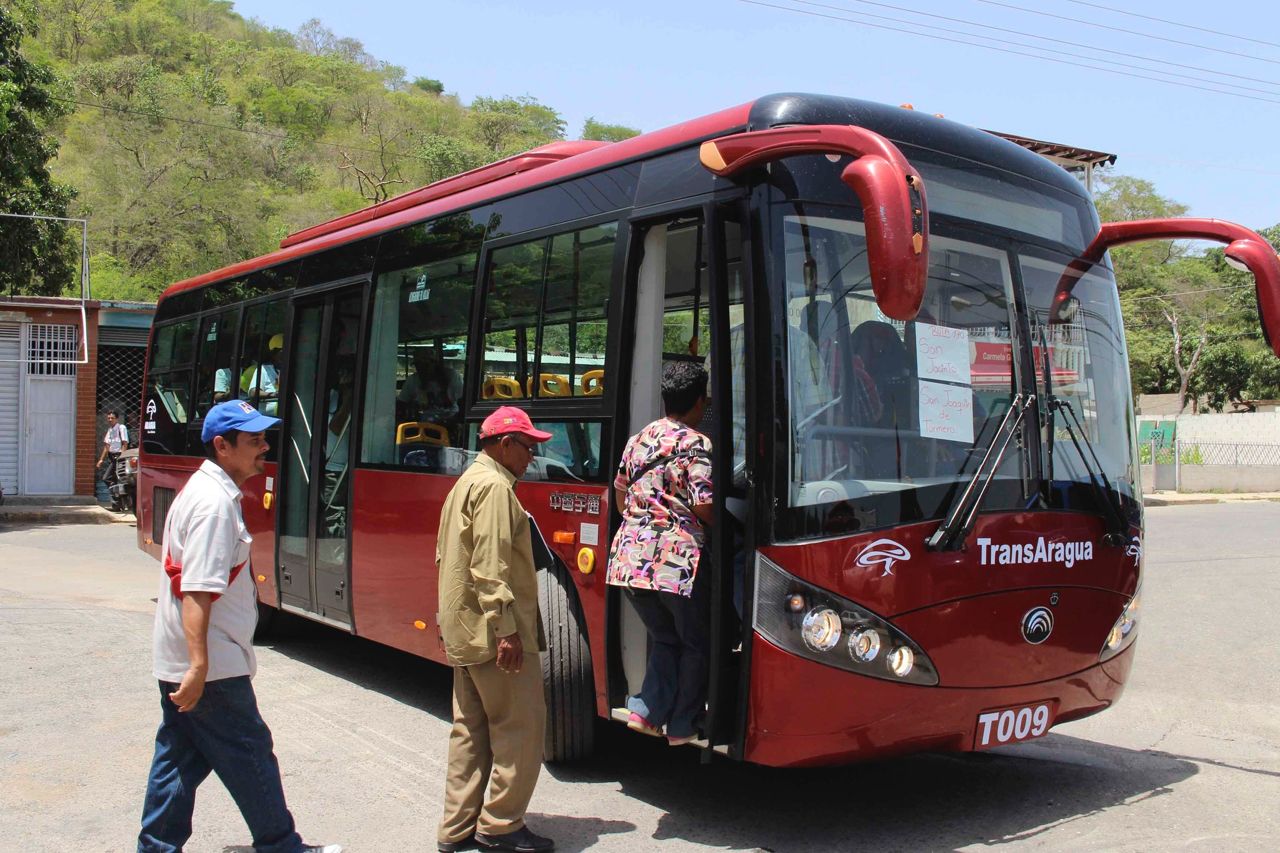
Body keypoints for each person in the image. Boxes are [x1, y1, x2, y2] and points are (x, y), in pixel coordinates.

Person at [138, 400, 340, 853]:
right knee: (250, 753)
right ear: (222, 446)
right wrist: (198, 667)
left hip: (190, 658)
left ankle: (156, 846)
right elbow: (198, 590)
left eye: (264, 438)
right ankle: (280, 844)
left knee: (179, 760)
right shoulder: (213, 506)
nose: (264, 448)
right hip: (211, 665)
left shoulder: (207, 492)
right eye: (253, 441)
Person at [435, 406, 554, 853]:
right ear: (505, 445)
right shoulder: (495, 488)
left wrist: (449, 622)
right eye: (528, 448)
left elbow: (447, 560)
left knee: (470, 732)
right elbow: (489, 567)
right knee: (520, 728)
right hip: (492, 633)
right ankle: (501, 826)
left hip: (465, 629)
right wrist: (507, 630)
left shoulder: (466, 482)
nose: (531, 459)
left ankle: (456, 829)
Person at [606, 362, 714, 746]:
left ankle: (646, 711)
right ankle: (683, 725)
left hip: (629, 561)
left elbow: (619, 495)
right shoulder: (696, 444)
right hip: (676, 564)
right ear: (700, 401)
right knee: (696, 643)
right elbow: (704, 505)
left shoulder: (638, 439)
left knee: (667, 638)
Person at [399, 346, 462, 423]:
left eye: (425, 365)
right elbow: (402, 402)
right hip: (423, 422)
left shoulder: (451, 376)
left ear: (434, 363)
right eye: (418, 365)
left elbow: (461, 400)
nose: (421, 368)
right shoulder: (412, 380)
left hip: (450, 418)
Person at [245, 334, 284, 415]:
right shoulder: (263, 369)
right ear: (274, 353)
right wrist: (273, 395)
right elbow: (253, 392)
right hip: (269, 418)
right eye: (282, 351)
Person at [98, 410, 129, 509]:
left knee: (106, 478)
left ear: (117, 418)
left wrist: (122, 457)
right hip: (112, 457)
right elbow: (107, 446)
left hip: (118, 456)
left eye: (112, 418)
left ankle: (118, 499)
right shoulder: (110, 430)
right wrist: (101, 460)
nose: (110, 420)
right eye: (109, 418)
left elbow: (125, 443)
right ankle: (117, 504)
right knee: (114, 480)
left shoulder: (121, 428)